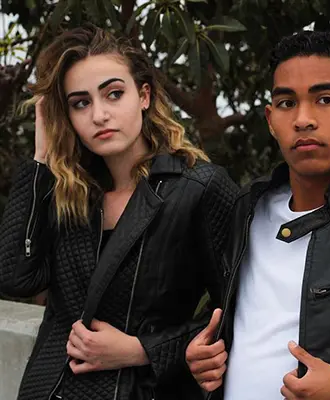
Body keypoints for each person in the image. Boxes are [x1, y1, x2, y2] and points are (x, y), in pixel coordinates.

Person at [0, 24, 238, 400]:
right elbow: (16, 278)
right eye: (80, 103)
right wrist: (41, 158)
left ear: (143, 95)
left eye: (114, 94)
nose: (99, 115)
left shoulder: (198, 188)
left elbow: (242, 308)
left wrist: (140, 350)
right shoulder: (70, 192)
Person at [186, 30, 330, 400]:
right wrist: (204, 356)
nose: (302, 119)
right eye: (287, 103)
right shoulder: (247, 210)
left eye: (325, 99)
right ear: (271, 120)